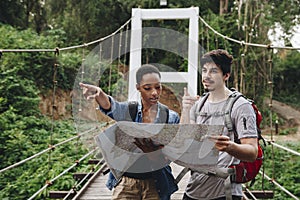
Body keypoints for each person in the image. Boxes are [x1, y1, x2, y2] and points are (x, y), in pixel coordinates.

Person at [80, 64, 179, 200]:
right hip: (127, 182)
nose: (154, 92)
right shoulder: (129, 110)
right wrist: (99, 93)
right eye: (147, 88)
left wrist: (154, 154)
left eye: (158, 87)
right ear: (138, 87)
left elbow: (172, 153)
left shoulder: (171, 117)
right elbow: (110, 105)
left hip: (156, 182)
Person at [180, 49, 258, 200]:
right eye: (204, 70)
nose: (206, 76)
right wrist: (185, 109)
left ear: (226, 76)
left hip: (224, 192)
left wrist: (230, 147)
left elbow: (252, 152)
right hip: (194, 189)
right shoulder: (199, 104)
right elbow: (185, 139)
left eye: (214, 71)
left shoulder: (241, 106)